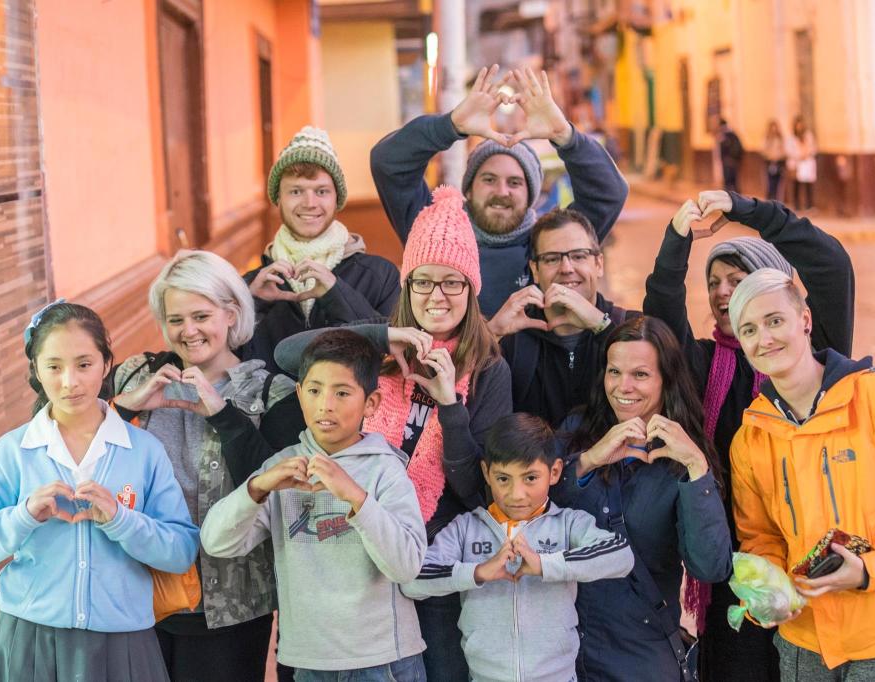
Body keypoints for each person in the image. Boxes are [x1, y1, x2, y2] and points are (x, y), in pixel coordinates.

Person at [273, 185, 512, 681]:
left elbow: (477, 490)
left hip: (434, 557)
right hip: (357, 549)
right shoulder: (379, 348)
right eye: (422, 281)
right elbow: (289, 356)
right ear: (406, 286)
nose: (437, 296)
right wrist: (384, 336)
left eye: (453, 283)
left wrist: (450, 405)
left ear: (471, 289)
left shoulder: (487, 368)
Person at [642, 188, 854, 681]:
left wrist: (748, 211)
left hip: (815, 556)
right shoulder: (697, 364)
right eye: (713, 281)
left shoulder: (810, 357)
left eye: (736, 280)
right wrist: (677, 238)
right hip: (737, 569)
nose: (721, 291)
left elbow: (830, 266)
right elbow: (660, 309)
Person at [0, 301, 199, 682]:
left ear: (106, 363)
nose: (70, 381)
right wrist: (24, 514)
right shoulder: (14, 451)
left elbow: (180, 552)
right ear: (35, 370)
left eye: (84, 364)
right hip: (29, 642)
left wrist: (119, 518)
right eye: (54, 367)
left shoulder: (144, 451)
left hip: (123, 643)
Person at [727, 268, 875, 679]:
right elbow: (760, 537)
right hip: (804, 643)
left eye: (775, 321)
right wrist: (768, 590)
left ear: (804, 321)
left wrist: (868, 570)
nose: (764, 338)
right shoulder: (749, 438)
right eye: (749, 329)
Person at [112, 250, 305, 680]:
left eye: (201, 315)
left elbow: (280, 489)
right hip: (139, 597)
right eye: (176, 319)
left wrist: (223, 415)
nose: (188, 331)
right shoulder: (135, 376)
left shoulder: (272, 392)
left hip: (231, 607)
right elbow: (78, 453)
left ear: (232, 314)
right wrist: (123, 409)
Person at [200, 329, 428, 681]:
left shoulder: (386, 468)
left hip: (383, 661)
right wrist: (257, 487)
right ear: (299, 394)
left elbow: (407, 566)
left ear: (371, 403)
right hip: (309, 663)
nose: (326, 404)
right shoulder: (281, 469)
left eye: (342, 392)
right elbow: (216, 541)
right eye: (314, 390)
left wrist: (355, 497)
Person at [553, 316, 732, 681]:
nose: (623, 386)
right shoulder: (576, 432)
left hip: (637, 654)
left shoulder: (684, 458)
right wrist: (589, 460)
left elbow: (711, 566)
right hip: (561, 648)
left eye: (640, 374)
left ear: (667, 379)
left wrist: (696, 466)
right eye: (614, 371)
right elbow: (530, 510)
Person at [371, 65, 628, 317]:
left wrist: (565, 135)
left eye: (515, 183)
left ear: (531, 196)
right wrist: (450, 126)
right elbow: (389, 162)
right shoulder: (434, 235)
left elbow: (608, 193)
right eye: (489, 179)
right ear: (468, 190)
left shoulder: (551, 246)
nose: (501, 191)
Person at [401, 413, 634, 682]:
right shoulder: (465, 528)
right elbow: (412, 581)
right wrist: (477, 572)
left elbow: (621, 555)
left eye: (530, 478)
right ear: (486, 473)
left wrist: (546, 565)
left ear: (555, 472)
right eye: (503, 479)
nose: (516, 493)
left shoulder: (568, 524)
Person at [240, 126, 400, 370]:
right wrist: (252, 304)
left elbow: (392, 358)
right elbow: (229, 362)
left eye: (321, 191)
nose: (309, 203)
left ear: (337, 198)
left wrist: (337, 294)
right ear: (278, 199)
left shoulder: (381, 276)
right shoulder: (249, 286)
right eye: (296, 191)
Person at [488, 208, 638, 427]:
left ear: (598, 264)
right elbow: (461, 401)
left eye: (578, 256)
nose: (567, 268)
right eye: (551, 259)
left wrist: (602, 326)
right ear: (535, 270)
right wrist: (491, 334)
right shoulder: (512, 341)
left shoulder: (632, 327)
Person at [787, 115, 817, 210]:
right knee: (796, 185)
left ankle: (809, 205)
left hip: (807, 162)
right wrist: (798, 156)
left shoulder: (808, 136)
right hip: (796, 163)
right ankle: (797, 204)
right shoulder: (791, 137)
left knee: (808, 185)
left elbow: (813, 147)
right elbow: (788, 150)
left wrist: (807, 154)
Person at [717, 118, 744, 193]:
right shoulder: (730, 134)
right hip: (730, 161)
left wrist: (731, 158)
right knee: (732, 181)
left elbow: (729, 149)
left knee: (730, 181)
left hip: (729, 161)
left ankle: (733, 198)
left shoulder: (727, 135)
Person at [763, 120, 786, 200]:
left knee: (778, 183)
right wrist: (771, 156)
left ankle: (776, 200)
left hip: (779, 163)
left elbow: (784, 150)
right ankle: (770, 199)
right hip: (770, 163)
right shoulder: (767, 139)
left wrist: (778, 156)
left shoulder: (781, 139)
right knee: (770, 183)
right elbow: (764, 150)